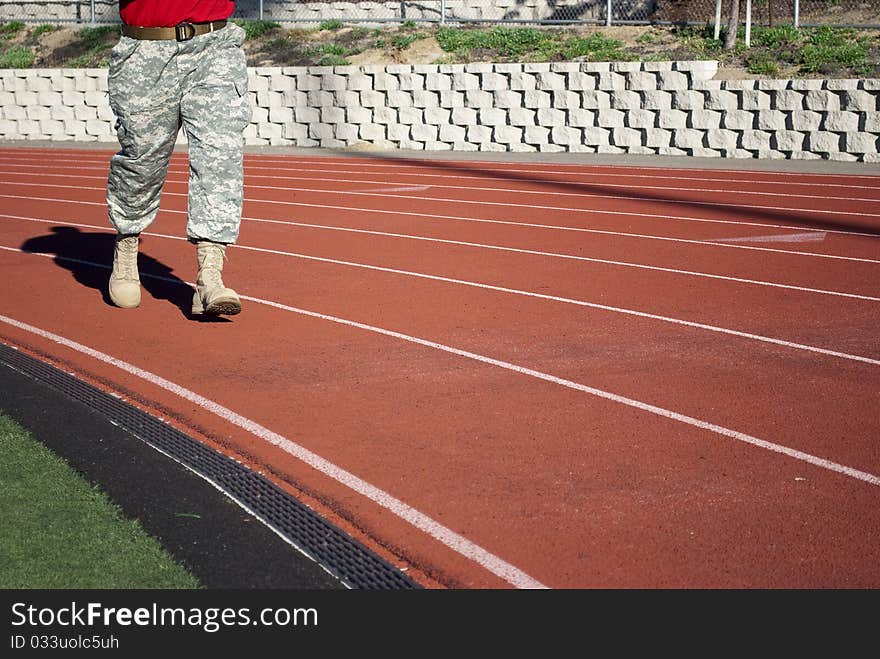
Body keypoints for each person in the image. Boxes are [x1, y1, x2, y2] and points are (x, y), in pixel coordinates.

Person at [105, 0, 251, 316]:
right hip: (145, 51)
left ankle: (209, 277)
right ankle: (127, 247)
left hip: (215, 47)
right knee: (142, 161)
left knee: (219, 158)